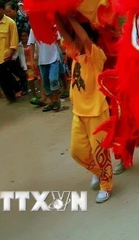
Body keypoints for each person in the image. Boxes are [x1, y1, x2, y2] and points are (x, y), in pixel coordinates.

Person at [56, 14, 113, 203]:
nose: (74, 40)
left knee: (100, 152)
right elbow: (64, 34)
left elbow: (85, 39)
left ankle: (106, 185)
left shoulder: (96, 55)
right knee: (76, 152)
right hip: (78, 113)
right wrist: (54, 11)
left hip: (97, 112)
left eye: (77, 37)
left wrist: (71, 18)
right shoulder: (74, 54)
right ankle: (99, 171)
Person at [0, 2, 20, 102]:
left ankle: (16, 90)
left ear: (2, 10)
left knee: (6, 75)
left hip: (7, 54)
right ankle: (11, 96)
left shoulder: (10, 23)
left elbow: (14, 39)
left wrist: (11, 51)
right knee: (1, 78)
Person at [28, 28, 62, 112]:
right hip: (42, 61)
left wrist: (63, 54)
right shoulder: (33, 29)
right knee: (46, 83)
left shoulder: (52, 26)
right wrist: (32, 59)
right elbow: (31, 44)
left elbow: (59, 41)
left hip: (54, 58)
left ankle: (57, 100)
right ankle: (51, 102)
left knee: (53, 79)